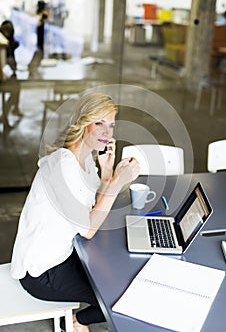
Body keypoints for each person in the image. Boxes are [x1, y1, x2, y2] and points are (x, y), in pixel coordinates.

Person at [10, 92, 140, 332]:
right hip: (42, 272)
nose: (107, 132)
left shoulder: (85, 160)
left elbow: (92, 211)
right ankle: (77, 322)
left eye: (110, 125)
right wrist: (118, 183)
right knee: (120, 296)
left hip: (63, 256)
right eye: (99, 123)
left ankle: (76, 320)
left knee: (121, 276)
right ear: (82, 121)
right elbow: (89, 229)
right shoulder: (63, 166)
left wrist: (107, 171)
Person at [0, 20, 22, 116]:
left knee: (17, 87)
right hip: (3, 75)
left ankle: (11, 110)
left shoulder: (9, 43)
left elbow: (11, 61)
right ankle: (5, 114)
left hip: (8, 73)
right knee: (15, 89)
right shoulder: (3, 44)